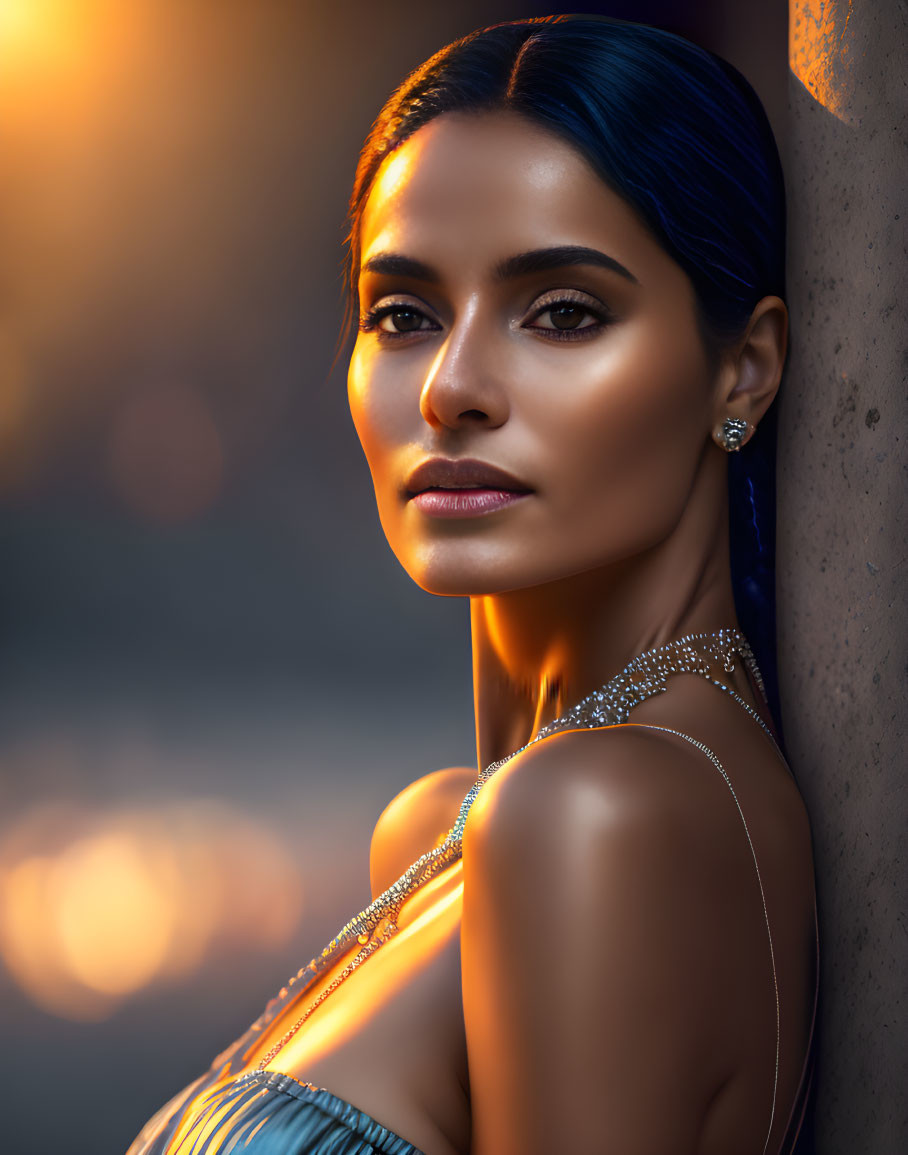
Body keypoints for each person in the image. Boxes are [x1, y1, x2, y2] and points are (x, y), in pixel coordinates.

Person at [128, 15, 818, 1154]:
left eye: (561, 314)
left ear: (739, 367)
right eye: (402, 315)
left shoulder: (593, 818)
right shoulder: (456, 830)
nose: (451, 388)